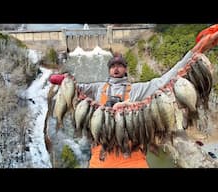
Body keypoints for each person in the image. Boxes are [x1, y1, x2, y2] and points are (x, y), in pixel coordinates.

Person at [48, 25, 218, 168]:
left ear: (125, 70)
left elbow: (169, 77)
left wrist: (199, 49)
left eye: (120, 66)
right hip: (100, 160)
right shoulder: (96, 88)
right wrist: (66, 80)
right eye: (112, 66)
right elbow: (75, 89)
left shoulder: (139, 90)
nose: (116, 68)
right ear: (108, 70)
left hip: (134, 160)